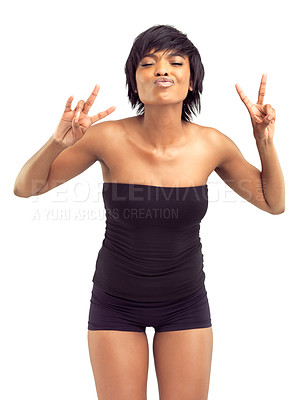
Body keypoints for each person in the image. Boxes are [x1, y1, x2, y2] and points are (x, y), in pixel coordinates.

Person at [13, 24, 285, 400]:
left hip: (185, 306)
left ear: (191, 82)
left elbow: (274, 203)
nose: (161, 70)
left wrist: (264, 142)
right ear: (134, 82)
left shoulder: (212, 144)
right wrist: (56, 142)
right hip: (115, 305)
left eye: (175, 62)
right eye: (147, 63)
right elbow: (27, 187)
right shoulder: (105, 137)